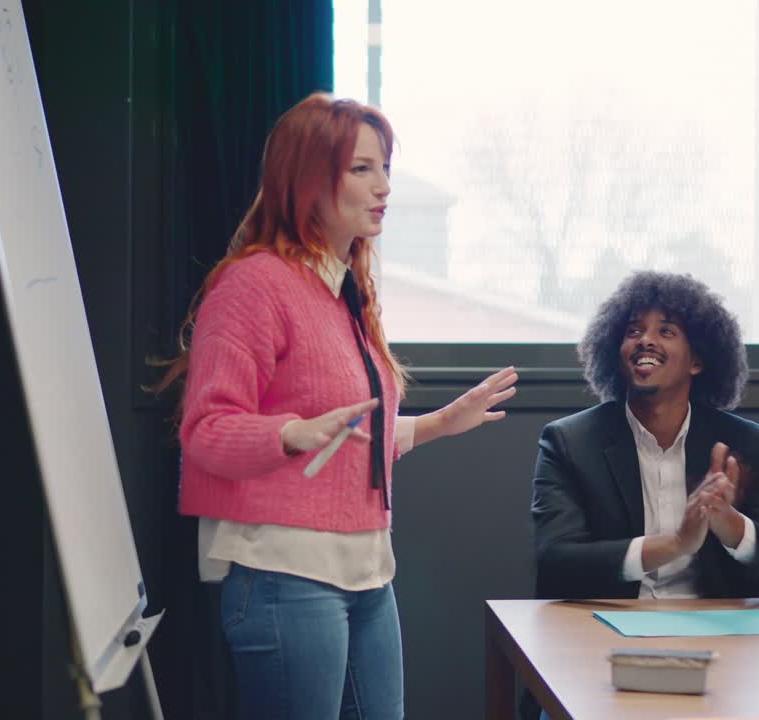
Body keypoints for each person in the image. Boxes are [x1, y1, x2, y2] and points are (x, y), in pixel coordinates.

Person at [151, 93, 518, 720]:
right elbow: (206, 431)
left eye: (386, 170)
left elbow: (350, 434)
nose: (384, 188)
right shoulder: (252, 285)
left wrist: (439, 424)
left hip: (368, 573)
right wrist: (290, 433)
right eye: (362, 169)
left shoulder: (342, 289)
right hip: (284, 576)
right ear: (309, 179)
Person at [531, 271, 759, 602]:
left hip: (717, 638)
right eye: (633, 331)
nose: (646, 340)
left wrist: (733, 527)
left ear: (698, 361)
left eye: (666, 331)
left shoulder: (743, 443)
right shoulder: (570, 443)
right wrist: (675, 544)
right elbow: (555, 565)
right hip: (604, 631)